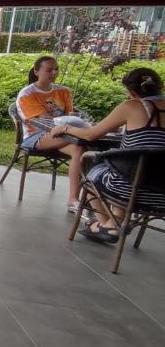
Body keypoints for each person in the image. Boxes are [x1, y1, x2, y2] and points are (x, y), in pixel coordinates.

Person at [51, 68, 165, 243]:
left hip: (130, 188)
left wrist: (65, 128)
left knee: (89, 162)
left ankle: (107, 225)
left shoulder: (132, 106)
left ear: (131, 91)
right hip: (161, 194)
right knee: (127, 170)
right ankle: (114, 221)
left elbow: (90, 135)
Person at [15, 56, 84, 211]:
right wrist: (68, 122)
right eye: (49, 70)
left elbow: (69, 114)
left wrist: (70, 120)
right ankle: (76, 199)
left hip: (64, 134)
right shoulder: (27, 94)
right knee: (83, 141)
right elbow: (40, 121)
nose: (54, 72)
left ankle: (75, 199)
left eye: (56, 69)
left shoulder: (63, 91)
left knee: (81, 150)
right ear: (37, 71)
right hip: (37, 136)